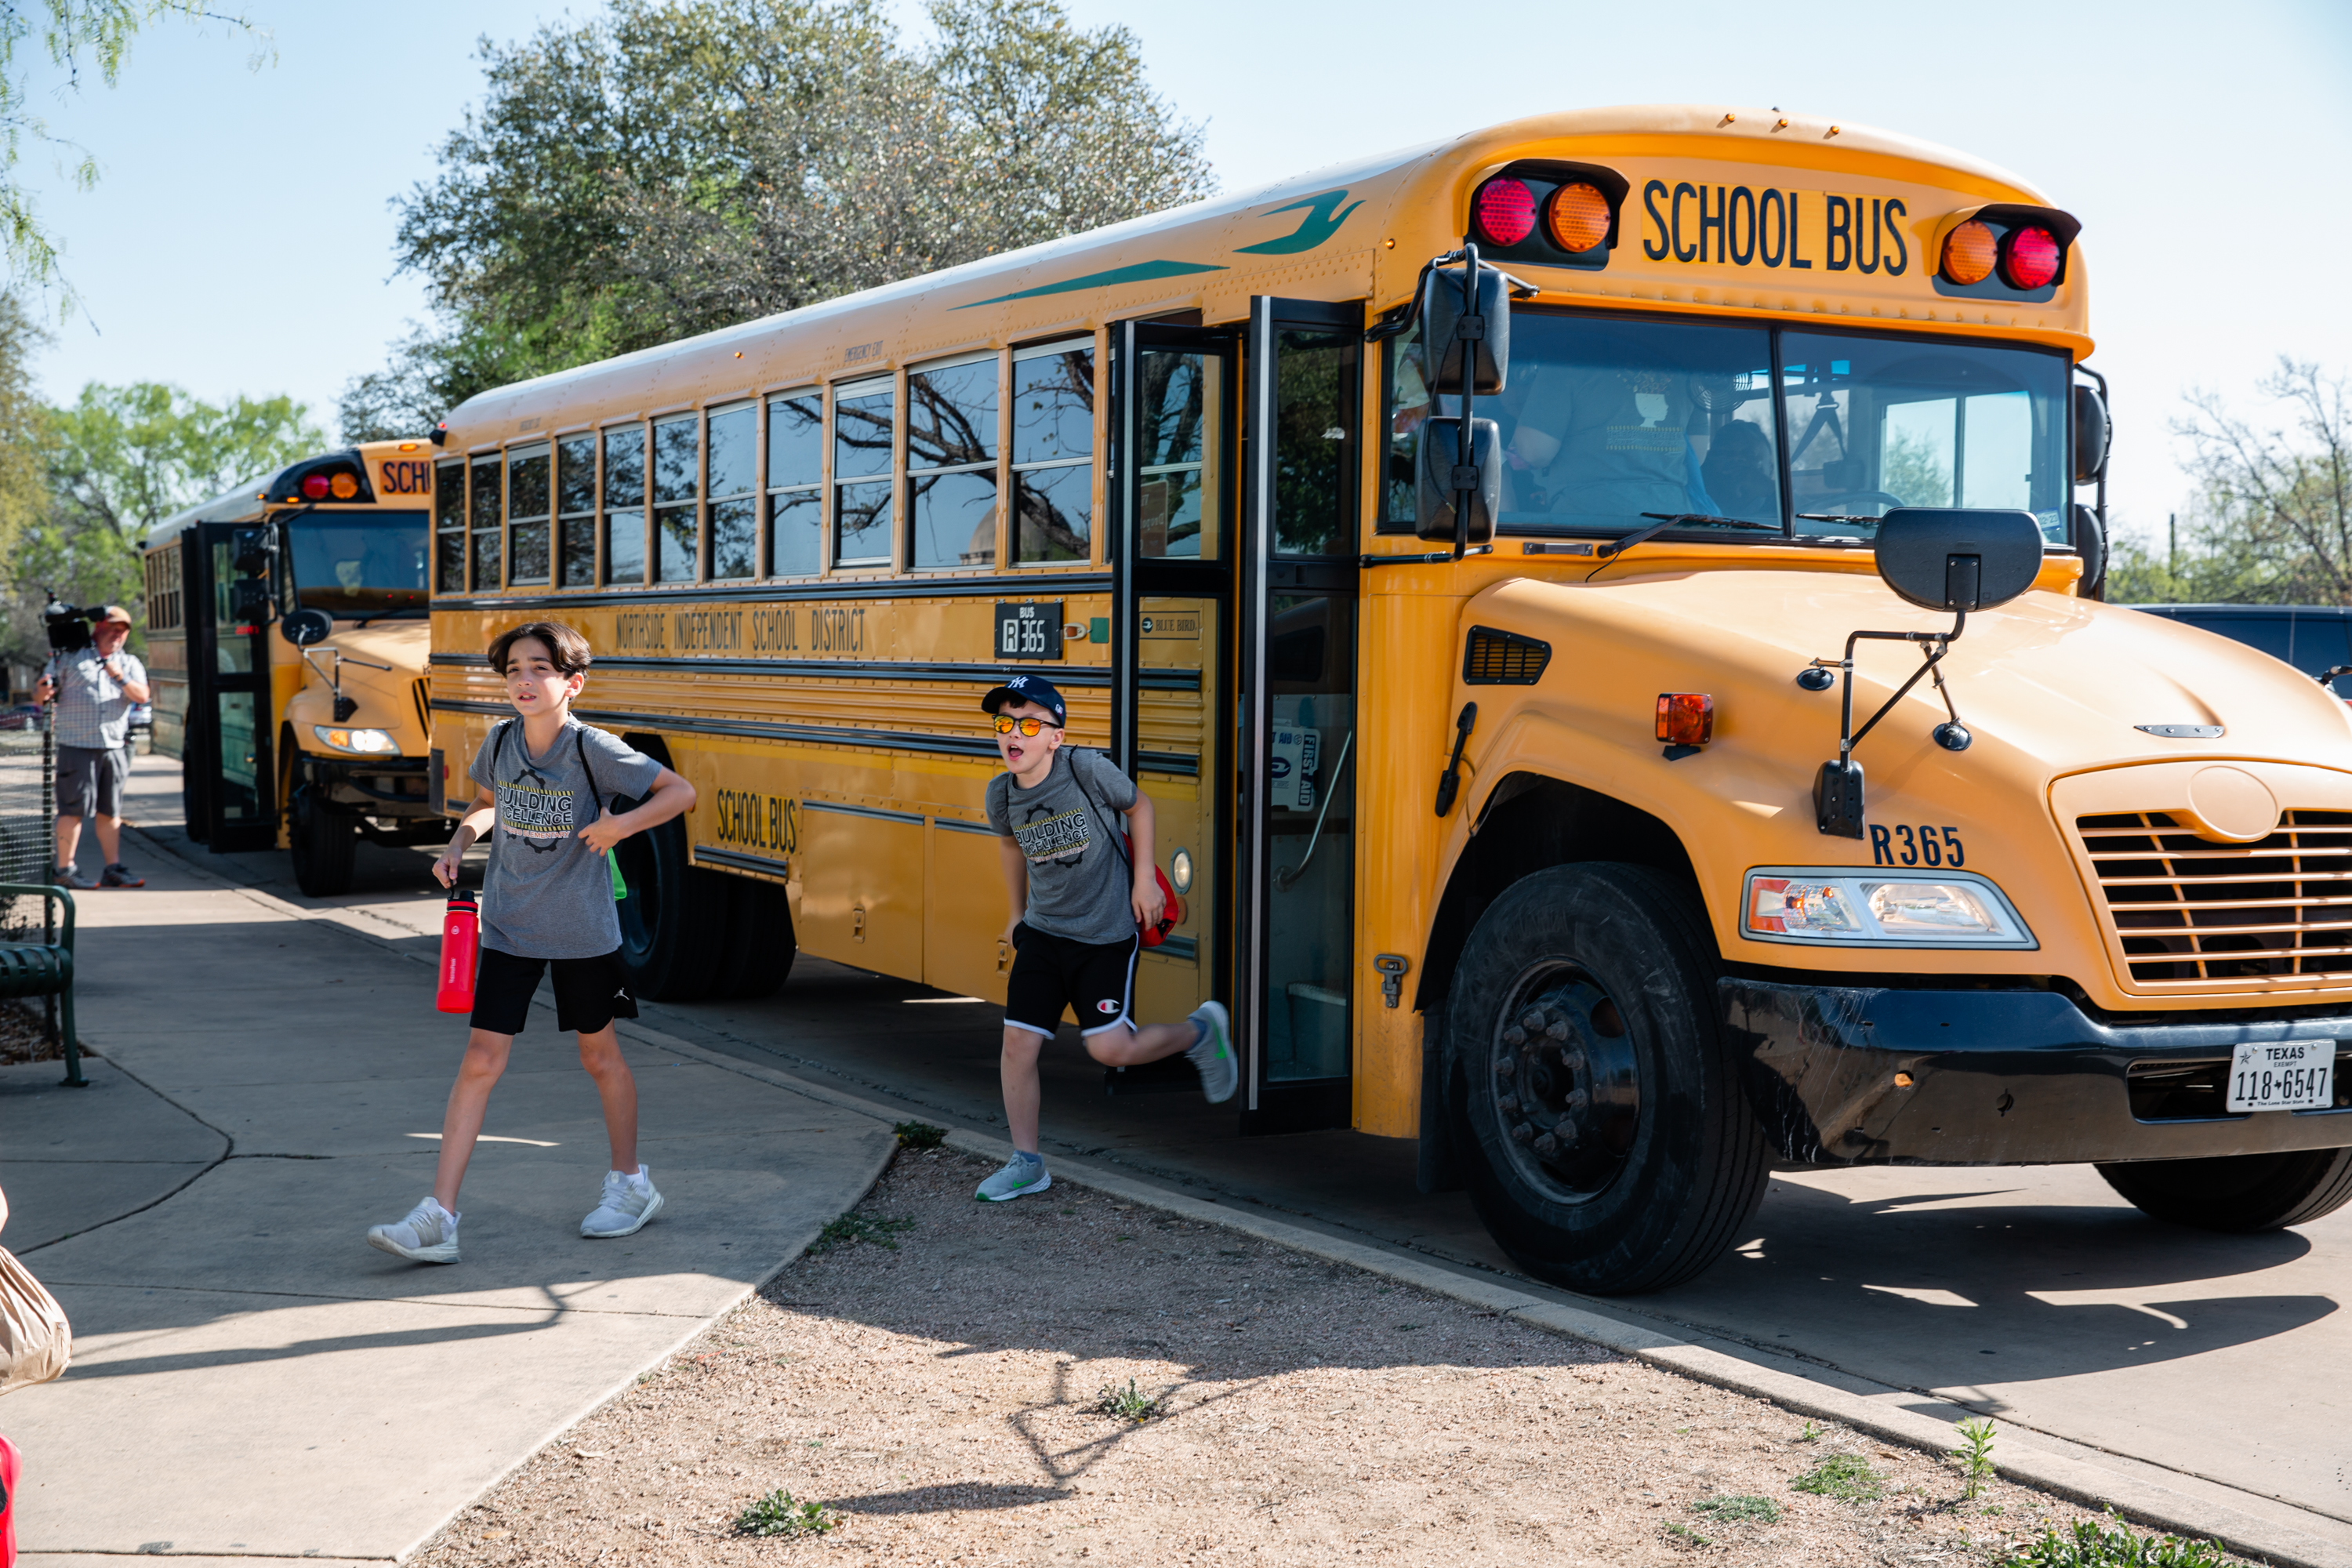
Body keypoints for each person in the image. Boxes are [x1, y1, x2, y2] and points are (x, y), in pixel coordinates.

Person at [365, 620, 696, 1264]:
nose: (524, 680)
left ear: (572, 683)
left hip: (583, 932)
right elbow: (488, 802)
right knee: (481, 1061)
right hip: (510, 926)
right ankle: (439, 1217)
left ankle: (631, 1185)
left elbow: (678, 793)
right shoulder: (501, 741)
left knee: (599, 1059)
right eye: (514, 669)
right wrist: (460, 842)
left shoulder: (593, 748)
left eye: (539, 668)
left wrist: (620, 826)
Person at [976, 673, 1235, 1203]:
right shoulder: (1001, 794)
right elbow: (1009, 847)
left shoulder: (1086, 769)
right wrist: (1014, 913)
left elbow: (1139, 808)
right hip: (1045, 933)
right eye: (1005, 723)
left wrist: (1143, 880)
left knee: (1109, 1047)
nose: (1013, 735)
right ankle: (1027, 1163)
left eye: (1028, 723)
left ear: (1056, 735)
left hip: (1105, 933)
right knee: (1017, 1044)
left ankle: (1200, 1033)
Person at [34, 604, 149, 890]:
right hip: (77, 745)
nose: (116, 636)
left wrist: (118, 675)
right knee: (72, 810)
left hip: (113, 745)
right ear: (98, 630)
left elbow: (142, 696)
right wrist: (44, 690)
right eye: (111, 630)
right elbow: (41, 695)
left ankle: (113, 868)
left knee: (110, 812)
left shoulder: (130, 662)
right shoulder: (69, 659)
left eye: (121, 632)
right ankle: (65, 869)